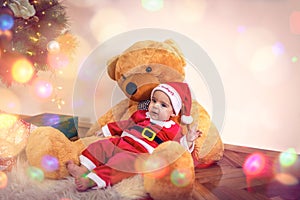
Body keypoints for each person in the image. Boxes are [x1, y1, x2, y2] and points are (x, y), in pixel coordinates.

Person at [66, 82, 201, 191]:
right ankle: (83, 168)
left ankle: (92, 180)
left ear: (173, 112)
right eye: (154, 101)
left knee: (121, 163)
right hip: (121, 141)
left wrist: (188, 140)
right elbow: (125, 124)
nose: (155, 107)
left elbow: (176, 147)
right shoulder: (141, 115)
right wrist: (107, 130)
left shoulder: (173, 128)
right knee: (101, 145)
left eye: (163, 105)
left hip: (138, 154)